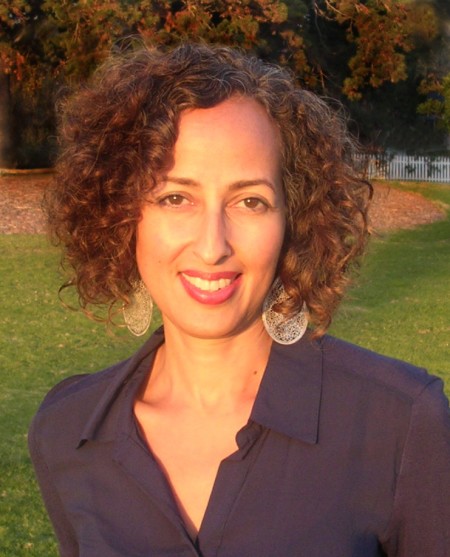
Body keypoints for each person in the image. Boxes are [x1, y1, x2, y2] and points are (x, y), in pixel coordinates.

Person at [29, 42, 449, 557]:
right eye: (175, 198)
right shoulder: (66, 430)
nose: (213, 246)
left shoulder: (400, 423)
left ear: (295, 219)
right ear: (120, 217)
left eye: (250, 201)